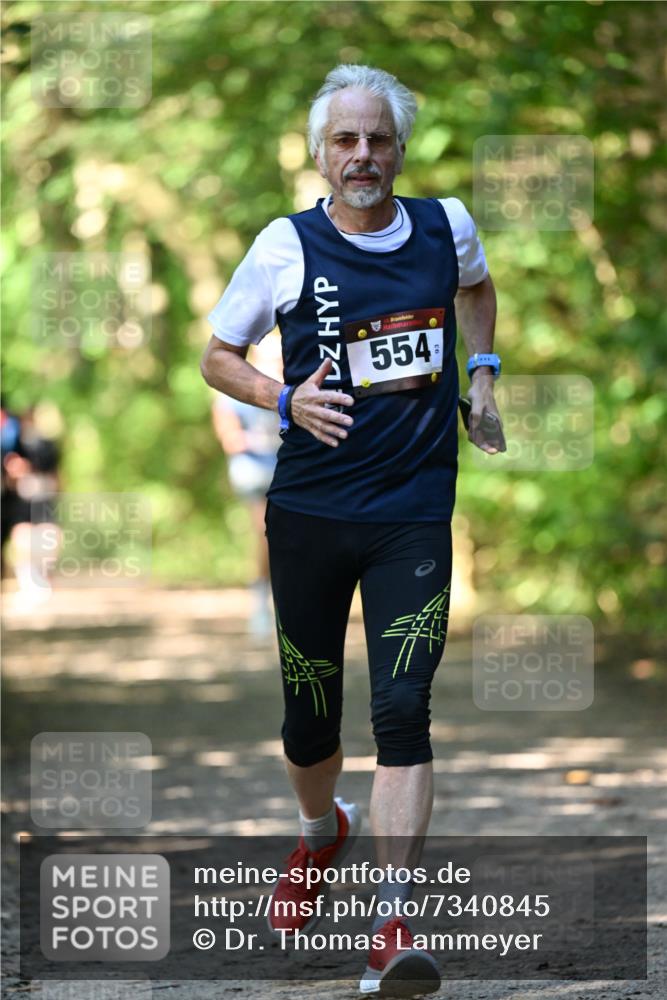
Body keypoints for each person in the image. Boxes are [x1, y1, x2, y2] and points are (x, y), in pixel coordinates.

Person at [201, 64, 503, 997]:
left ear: (399, 149)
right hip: (310, 512)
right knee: (309, 719)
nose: (362, 155)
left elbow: (476, 289)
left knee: (403, 708)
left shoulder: (446, 225)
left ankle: (391, 926)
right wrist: (281, 396)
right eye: (345, 140)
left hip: (412, 510)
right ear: (320, 154)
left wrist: (482, 373)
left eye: (377, 139)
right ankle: (318, 828)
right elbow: (217, 355)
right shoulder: (284, 245)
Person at [210, 335, 283, 636]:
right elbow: (231, 439)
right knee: (267, 534)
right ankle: (260, 601)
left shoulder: (292, 388)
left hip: (285, 473)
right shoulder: (233, 394)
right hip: (254, 473)